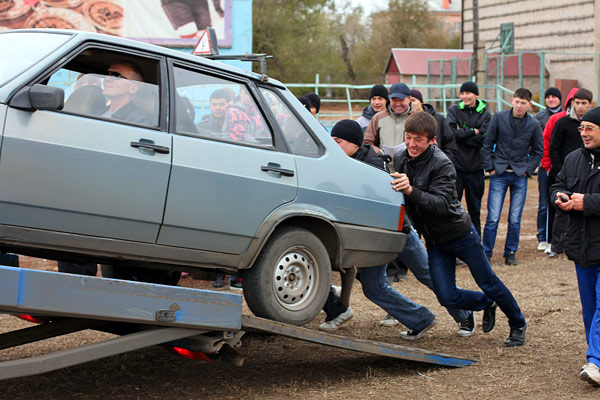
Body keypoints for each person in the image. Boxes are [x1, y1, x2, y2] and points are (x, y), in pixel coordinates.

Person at [322, 119, 472, 340]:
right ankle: (420, 319)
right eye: (332, 141)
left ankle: (465, 313)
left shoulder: (371, 165)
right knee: (373, 288)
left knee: (429, 275)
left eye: (339, 141)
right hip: (373, 236)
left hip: (397, 230)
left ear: (354, 143)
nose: (335, 146)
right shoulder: (344, 162)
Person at [392, 111, 527, 347]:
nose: (412, 144)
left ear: (432, 140)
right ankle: (488, 303)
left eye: (418, 140)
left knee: (490, 282)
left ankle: (517, 323)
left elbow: (442, 204)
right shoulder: (401, 159)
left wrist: (411, 190)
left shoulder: (442, 163)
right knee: (446, 296)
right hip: (435, 242)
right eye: (408, 137)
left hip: (461, 235)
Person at [551, 106, 600, 385]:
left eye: (589, 128)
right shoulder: (573, 159)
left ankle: (595, 361)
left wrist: (587, 203)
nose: (583, 133)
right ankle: (596, 356)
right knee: (590, 307)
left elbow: (588, 200)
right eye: (581, 128)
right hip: (581, 246)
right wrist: (560, 196)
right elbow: (556, 185)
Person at [482, 88, 543, 265]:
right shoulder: (499, 117)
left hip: (519, 175)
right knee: (493, 216)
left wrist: (528, 170)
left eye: (523, 103)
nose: (519, 106)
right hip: (499, 173)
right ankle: (486, 251)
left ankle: (510, 252)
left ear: (529, 105)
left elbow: (538, 151)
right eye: (517, 101)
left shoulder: (533, 124)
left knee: (515, 218)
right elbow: (488, 144)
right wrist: (490, 167)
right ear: (512, 100)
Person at [548, 88, 593, 258]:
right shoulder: (562, 122)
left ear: (590, 104)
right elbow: (554, 147)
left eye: (584, 103)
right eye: (577, 102)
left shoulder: (596, 124)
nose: (580, 106)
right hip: (567, 173)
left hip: (588, 174)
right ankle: (557, 247)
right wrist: (561, 170)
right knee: (562, 212)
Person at [446, 81, 491, 237]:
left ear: (476, 95)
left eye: (468, 93)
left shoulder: (485, 112)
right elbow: (451, 134)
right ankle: (454, 241)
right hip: (456, 167)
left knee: (475, 209)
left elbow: (484, 138)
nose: (464, 96)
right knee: (453, 208)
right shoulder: (454, 110)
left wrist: (463, 134)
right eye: (462, 93)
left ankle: (476, 241)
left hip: (476, 169)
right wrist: (473, 131)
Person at [540, 88, 579, 256]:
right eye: (575, 102)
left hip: (579, 173)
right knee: (552, 207)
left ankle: (570, 242)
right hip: (557, 171)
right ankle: (549, 241)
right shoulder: (557, 120)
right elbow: (549, 144)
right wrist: (549, 167)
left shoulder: (589, 121)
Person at [533, 87, 563, 253]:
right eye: (548, 97)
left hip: (561, 168)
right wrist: (544, 164)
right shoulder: (539, 118)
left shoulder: (566, 117)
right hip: (545, 166)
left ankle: (558, 238)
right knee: (544, 203)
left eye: (554, 97)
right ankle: (542, 237)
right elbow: (539, 142)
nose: (551, 100)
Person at [364, 82, 412, 160]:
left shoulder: (418, 118)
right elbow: (367, 142)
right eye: (394, 100)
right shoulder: (378, 117)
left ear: (409, 99)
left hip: (410, 167)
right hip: (385, 167)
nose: (398, 104)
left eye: (401, 100)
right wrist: (379, 152)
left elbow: (431, 144)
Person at [410, 89, 457, 164]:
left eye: (413, 100)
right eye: (408, 101)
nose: (411, 104)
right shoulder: (406, 120)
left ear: (421, 102)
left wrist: (442, 162)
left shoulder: (438, 119)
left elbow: (450, 144)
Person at [102, 61, 152, 125]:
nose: (107, 79)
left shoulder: (137, 121)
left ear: (133, 88)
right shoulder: (100, 110)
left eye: (115, 76)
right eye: (107, 74)